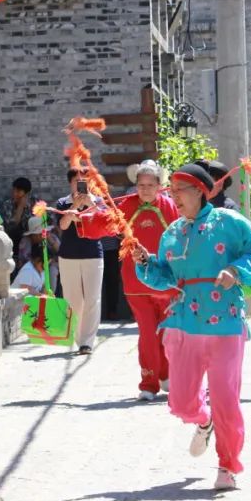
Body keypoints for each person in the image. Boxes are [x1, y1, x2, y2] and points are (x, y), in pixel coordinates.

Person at [133, 163, 251, 490]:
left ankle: (228, 465)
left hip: (224, 322)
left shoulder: (228, 222)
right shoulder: (172, 234)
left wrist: (237, 271)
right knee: (181, 403)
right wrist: (145, 263)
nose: (173, 197)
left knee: (226, 399)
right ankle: (204, 420)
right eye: (171, 191)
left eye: (178, 190)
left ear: (199, 190)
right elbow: (163, 277)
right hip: (184, 323)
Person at [78, 160, 179, 400]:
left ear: (159, 185)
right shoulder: (126, 206)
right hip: (135, 281)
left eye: (150, 184)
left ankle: (166, 374)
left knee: (168, 332)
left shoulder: (171, 206)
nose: (145, 190)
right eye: (141, 185)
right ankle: (148, 383)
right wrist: (85, 211)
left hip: (166, 280)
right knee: (147, 333)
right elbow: (103, 222)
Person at [57, 168, 103, 355]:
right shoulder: (62, 203)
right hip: (69, 255)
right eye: (77, 181)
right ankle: (77, 338)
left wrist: (91, 202)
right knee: (73, 300)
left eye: (85, 180)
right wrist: (74, 206)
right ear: (71, 183)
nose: (81, 184)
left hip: (93, 253)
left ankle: (87, 342)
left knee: (93, 298)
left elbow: (106, 220)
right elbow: (63, 225)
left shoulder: (98, 201)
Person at [17, 214, 59, 290]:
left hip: (50, 265)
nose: (41, 235)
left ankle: (50, 296)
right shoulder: (26, 242)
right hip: (34, 267)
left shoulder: (51, 237)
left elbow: (61, 253)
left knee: (53, 271)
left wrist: (50, 240)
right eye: (39, 233)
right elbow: (24, 261)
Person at [4, 176, 33, 265]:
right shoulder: (8, 204)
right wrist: (20, 206)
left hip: (32, 237)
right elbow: (12, 224)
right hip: (14, 238)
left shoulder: (35, 202)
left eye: (18, 191)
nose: (15, 194)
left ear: (27, 193)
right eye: (14, 190)